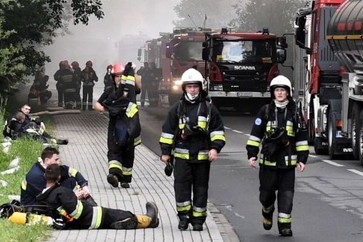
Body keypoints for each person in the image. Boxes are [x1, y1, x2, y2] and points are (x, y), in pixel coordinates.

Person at [160, 67, 226, 231]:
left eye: (195, 86)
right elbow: (168, 131)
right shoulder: (177, 108)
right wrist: (166, 152)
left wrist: (215, 149)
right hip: (182, 157)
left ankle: (198, 220)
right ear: (184, 88)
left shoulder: (209, 109)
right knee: (181, 187)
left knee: (201, 189)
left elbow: (217, 131)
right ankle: (183, 218)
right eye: (189, 87)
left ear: (200, 87)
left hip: (202, 158)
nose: (193, 90)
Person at [246, 74, 308, 237]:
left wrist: (302, 159)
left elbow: (301, 138)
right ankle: (267, 212)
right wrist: (252, 154)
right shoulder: (265, 111)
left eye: (283, 90)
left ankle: (284, 226)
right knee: (266, 195)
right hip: (268, 164)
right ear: (273, 93)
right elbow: (255, 135)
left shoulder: (295, 113)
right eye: (277, 90)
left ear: (288, 93)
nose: (280, 93)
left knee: (287, 195)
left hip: (287, 165)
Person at [35, 165, 160, 229]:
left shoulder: (44, 196)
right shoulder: (61, 191)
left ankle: (119, 223)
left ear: (45, 177)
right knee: (125, 214)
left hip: (86, 223)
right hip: (94, 216)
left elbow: (61, 212)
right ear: (59, 178)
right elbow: (76, 212)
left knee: (116, 217)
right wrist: (77, 197)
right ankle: (150, 220)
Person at [94, 63, 141, 188]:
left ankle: (125, 179)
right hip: (115, 125)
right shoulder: (110, 91)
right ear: (113, 78)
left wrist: (133, 71)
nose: (120, 78)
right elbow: (97, 104)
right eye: (117, 76)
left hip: (130, 126)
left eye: (121, 76)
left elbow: (138, 85)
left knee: (128, 152)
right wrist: (104, 108)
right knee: (114, 150)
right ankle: (114, 175)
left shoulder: (130, 89)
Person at [20, 145, 92, 205]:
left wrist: (84, 186)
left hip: (46, 197)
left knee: (71, 180)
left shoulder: (52, 168)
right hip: (34, 204)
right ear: (47, 160)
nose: (59, 162)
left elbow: (72, 172)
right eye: (56, 159)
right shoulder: (36, 176)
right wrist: (74, 197)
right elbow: (50, 200)